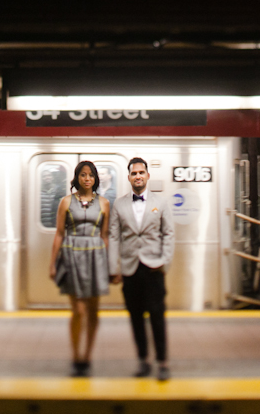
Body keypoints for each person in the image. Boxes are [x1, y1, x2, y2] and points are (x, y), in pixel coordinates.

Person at [109, 157, 175, 381]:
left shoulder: (161, 202)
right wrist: (113, 267)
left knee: (157, 315)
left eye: (141, 172)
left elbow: (169, 234)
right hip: (129, 269)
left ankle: (163, 362)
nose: (138, 176)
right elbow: (114, 237)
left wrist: (165, 262)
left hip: (154, 268)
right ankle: (143, 360)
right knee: (135, 316)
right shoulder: (119, 204)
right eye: (134, 173)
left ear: (148, 176)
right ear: (128, 178)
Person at [49, 161, 111, 377]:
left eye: (91, 175)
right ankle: (75, 355)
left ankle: (87, 356)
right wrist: (53, 263)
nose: (87, 179)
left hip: (96, 255)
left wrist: (109, 263)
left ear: (95, 179)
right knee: (78, 311)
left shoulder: (104, 203)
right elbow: (59, 233)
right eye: (83, 175)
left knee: (93, 310)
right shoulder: (66, 202)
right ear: (76, 178)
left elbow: (105, 235)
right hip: (71, 253)